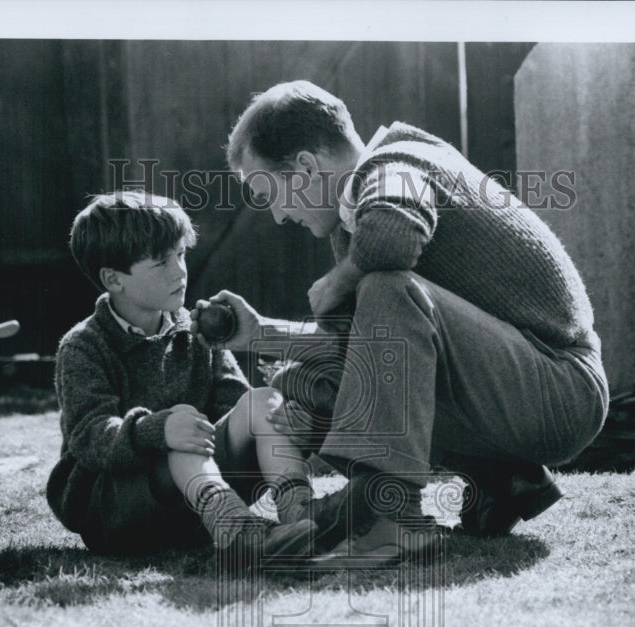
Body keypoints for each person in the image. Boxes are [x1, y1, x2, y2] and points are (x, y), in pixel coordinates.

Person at [192, 80, 610, 564]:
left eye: (269, 194)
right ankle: (503, 481)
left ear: (306, 167)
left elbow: (394, 235)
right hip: (520, 388)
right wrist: (262, 332)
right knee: (309, 383)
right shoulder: (358, 212)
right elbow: (360, 348)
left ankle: (392, 520)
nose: (280, 217)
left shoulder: (393, 167)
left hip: (560, 387)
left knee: (387, 284)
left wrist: (340, 279)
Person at [46, 191, 314, 562]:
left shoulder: (194, 328)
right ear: (113, 279)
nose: (180, 271)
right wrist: (156, 430)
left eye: (181, 255)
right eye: (161, 263)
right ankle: (239, 536)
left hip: (197, 498)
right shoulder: (84, 346)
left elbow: (232, 403)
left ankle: (302, 516)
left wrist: (279, 420)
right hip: (117, 507)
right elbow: (89, 437)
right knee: (181, 437)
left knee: (261, 401)